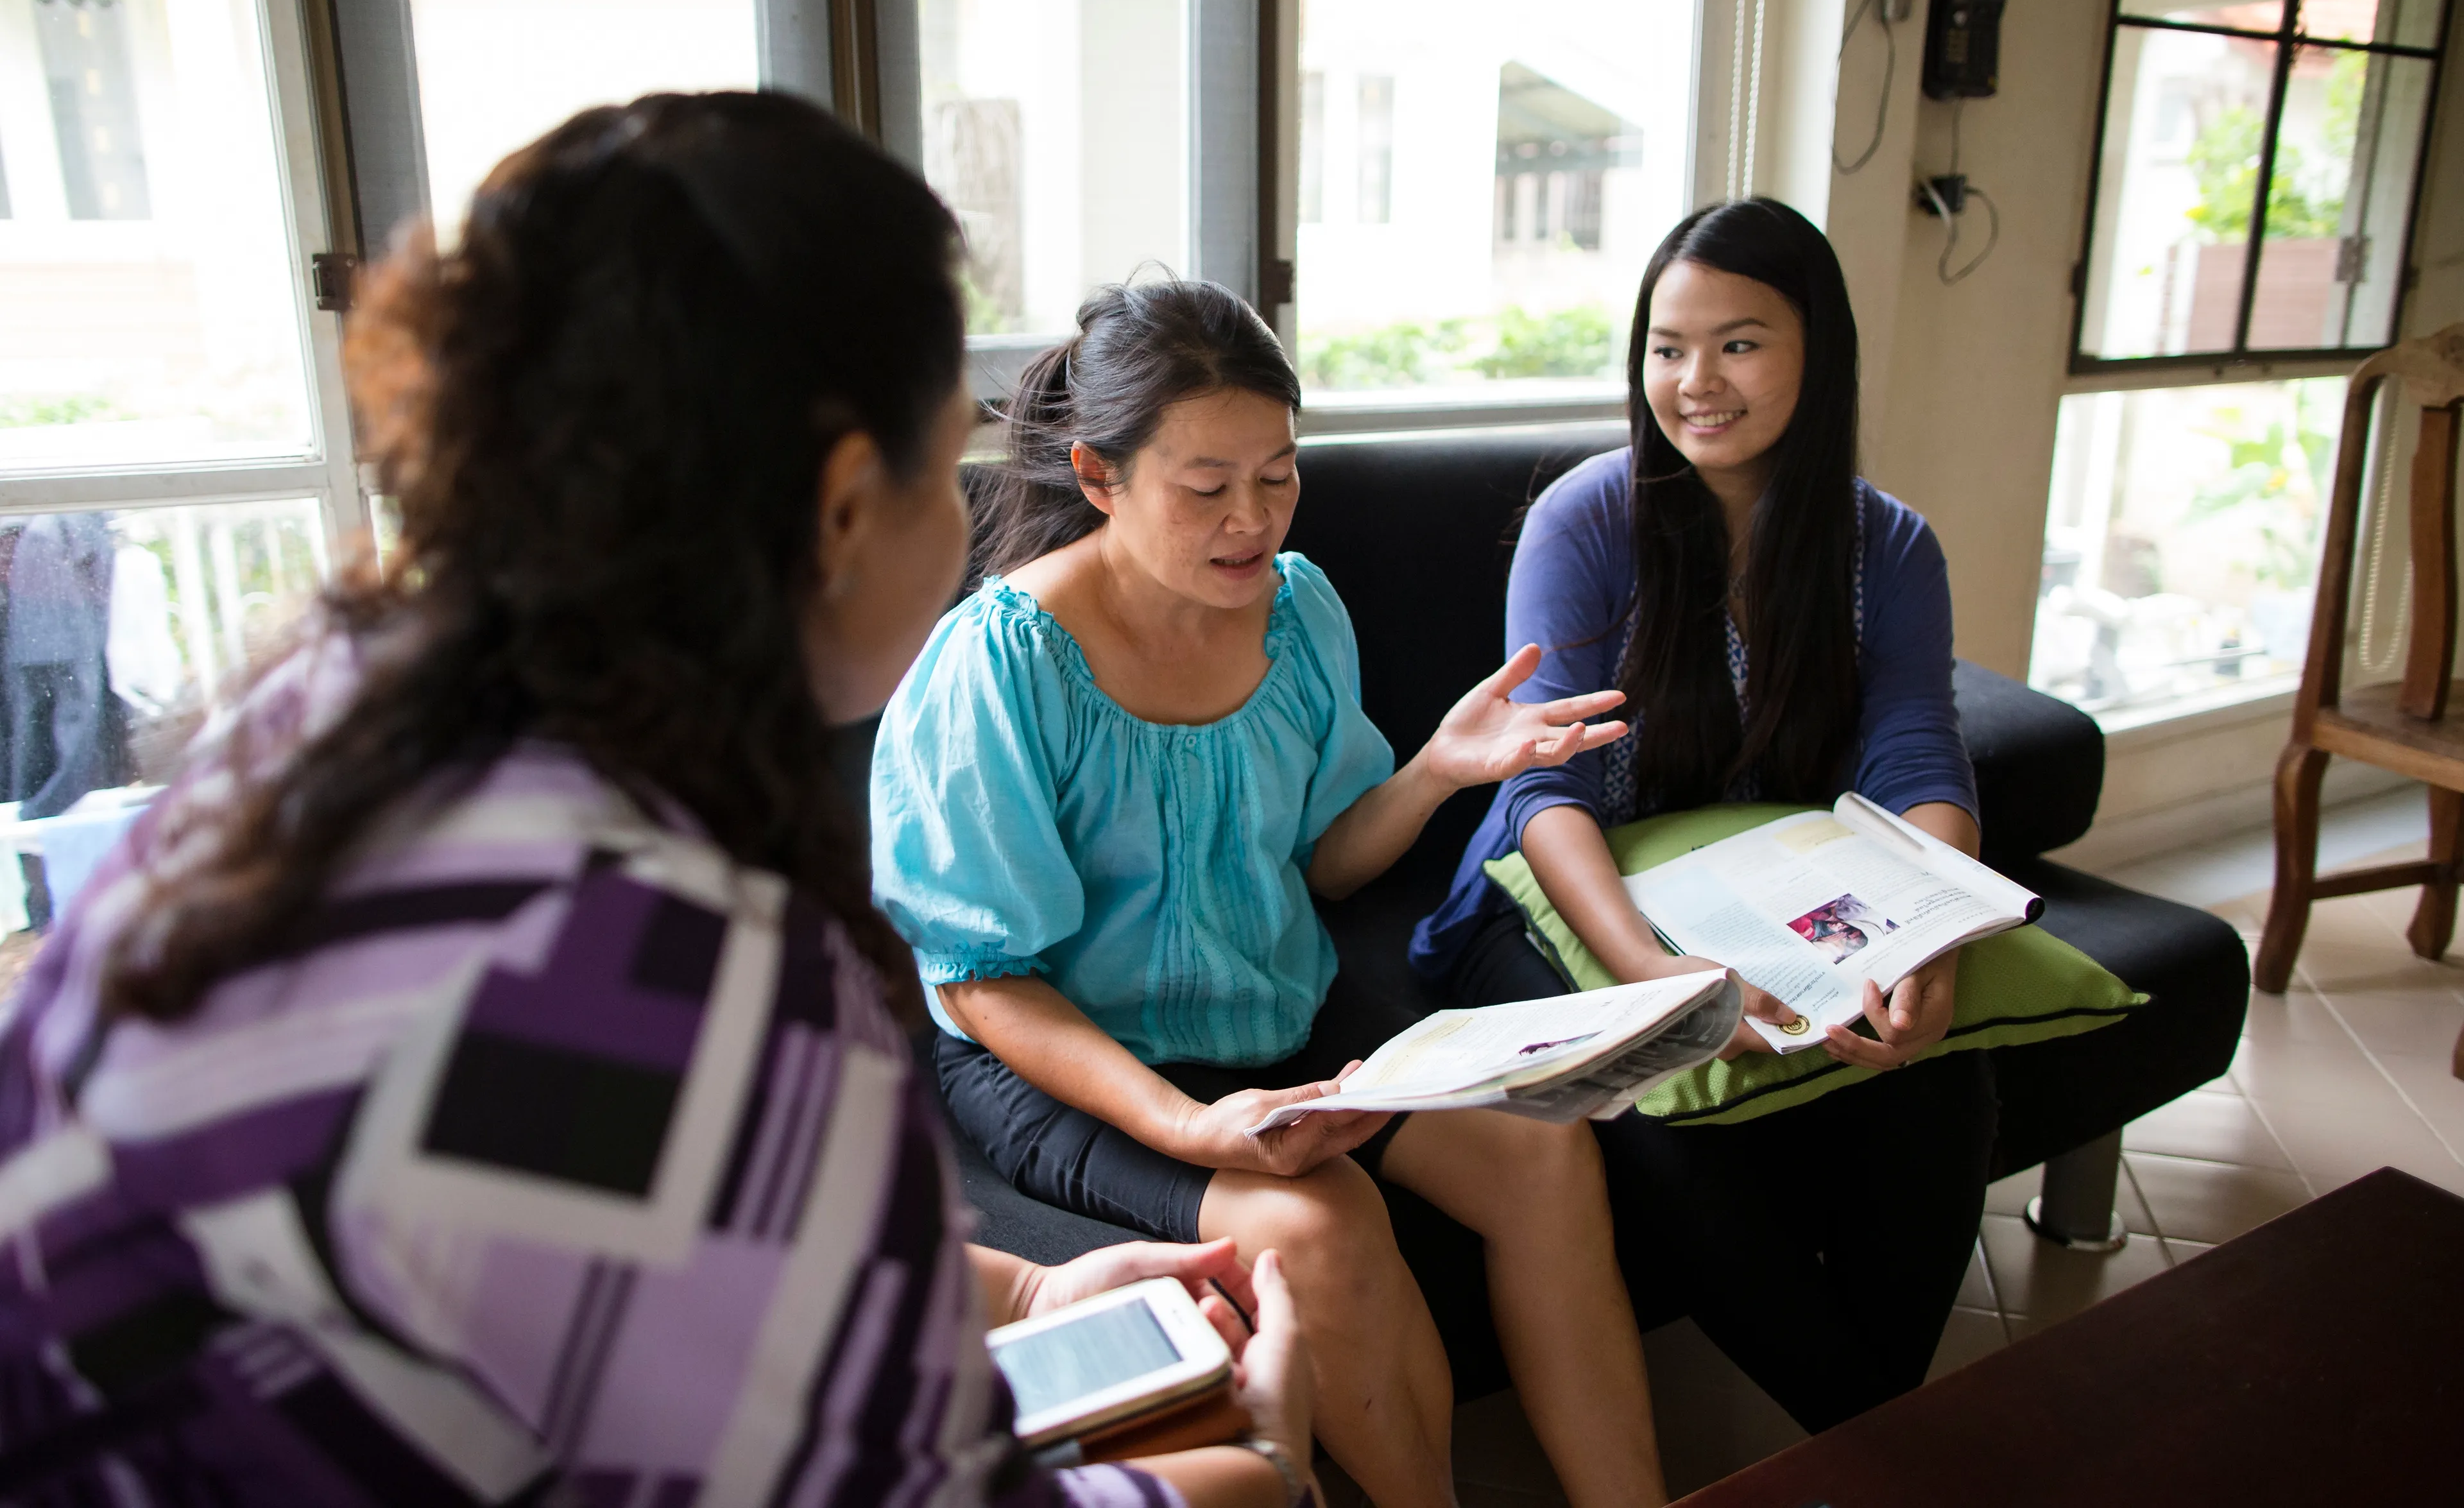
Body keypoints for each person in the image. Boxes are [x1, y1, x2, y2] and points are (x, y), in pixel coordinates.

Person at [0, 93, 1316, 1508]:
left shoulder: (333, 717)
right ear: (839, 503)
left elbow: (599, 1222)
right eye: (946, 464)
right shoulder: (668, 951)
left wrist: (1031, 1290)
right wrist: (1269, 1460)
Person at [872, 280, 1671, 1508]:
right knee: (1323, 1230)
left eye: (1279, 475)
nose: (1253, 520)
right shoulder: (1001, 663)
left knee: (1540, 1155)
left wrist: (1437, 773)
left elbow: (1326, 861)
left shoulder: (1298, 613)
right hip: (1058, 1056)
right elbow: (981, 980)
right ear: (1100, 476)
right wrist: (1191, 1128)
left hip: (1266, 1007)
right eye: (1207, 488)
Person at [1408, 198, 1997, 1433]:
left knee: (1945, 1084)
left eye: (1740, 342)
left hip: (1764, 906)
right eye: (1668, 348)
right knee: (1665, 1127)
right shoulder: (1588, 519)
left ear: (1816, 350)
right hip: (1554, 908)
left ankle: (1876, 1432)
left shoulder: (1887, 548)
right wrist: (1654, 973)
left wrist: (1928, 939)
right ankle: (1893, 1446)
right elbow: (1539, 780)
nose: (1696, 382)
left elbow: (1918, 755)